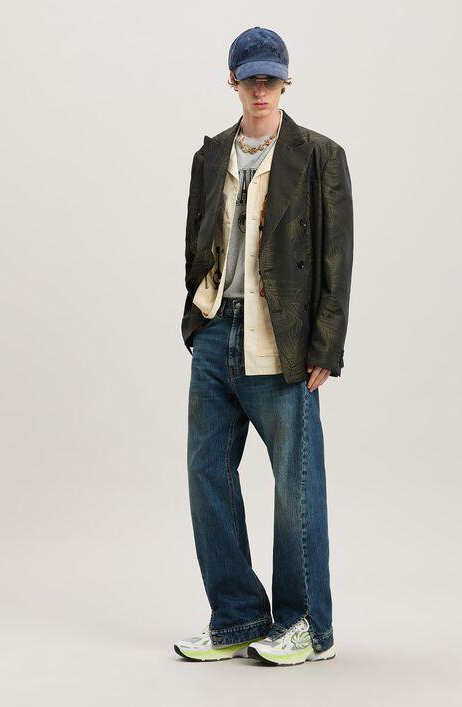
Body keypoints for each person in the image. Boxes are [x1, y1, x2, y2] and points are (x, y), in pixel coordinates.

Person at [174, 26, 354, 666]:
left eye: (270, 78)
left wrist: (325, 345)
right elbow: (196, 241)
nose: (260, 89)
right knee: (207, 477)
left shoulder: (320, 156)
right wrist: (197, 320)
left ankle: (306, 625)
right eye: (250, 78)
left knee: (294, 486)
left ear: (285, 81)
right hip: (216, 331)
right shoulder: (210, 156)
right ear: (233, 81)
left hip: (281, 340)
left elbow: (336, 258)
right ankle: (237, 618)